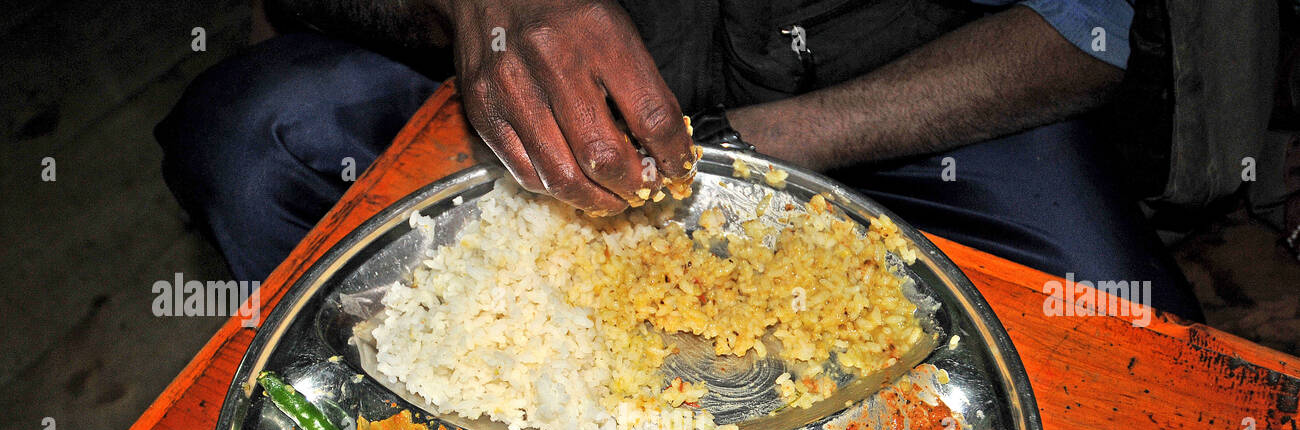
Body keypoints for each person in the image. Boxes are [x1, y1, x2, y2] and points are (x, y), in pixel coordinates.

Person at [156, 0, 1203, 319]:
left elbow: (1087, 32)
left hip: (899, 109)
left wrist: (754, 150)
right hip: (535, 94)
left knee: (1133, 347)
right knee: (257, 142)